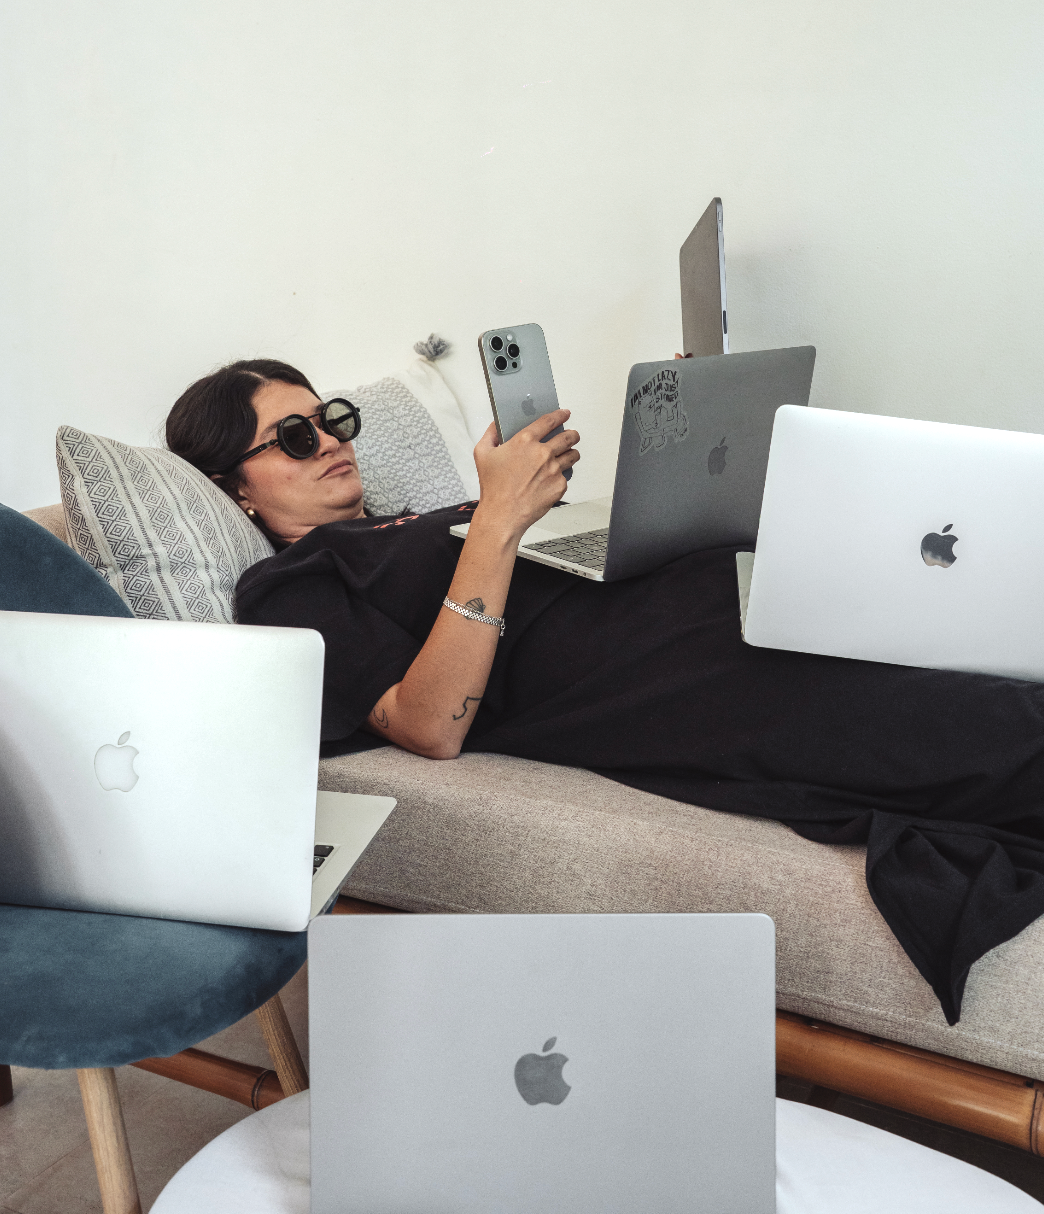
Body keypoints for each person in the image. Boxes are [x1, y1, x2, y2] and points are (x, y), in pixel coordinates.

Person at [167, 358, 1044, 1025]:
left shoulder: (417, 517)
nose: (331, 441)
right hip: (666, 673)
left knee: (972, 610)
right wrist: (500, 519)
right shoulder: (295, 585)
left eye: (330, 420)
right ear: (231, 487)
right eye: (293, 438)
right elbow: (428, 724)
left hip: (711, 592)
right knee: (979, 725)